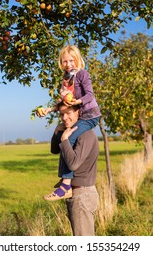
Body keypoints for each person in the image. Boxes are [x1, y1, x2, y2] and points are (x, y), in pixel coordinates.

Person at [37, 45, 101, 200]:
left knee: (69, 138)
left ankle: (66, 186)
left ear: (77, 60)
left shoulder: (82, 74)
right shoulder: (66, 79)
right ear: (61, 63)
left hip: (90, 116)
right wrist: (49, 110)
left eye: (71, 60)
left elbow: (90, 95)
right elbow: (63, 102)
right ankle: (65, 178)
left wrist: (77, 101)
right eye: (65, 61)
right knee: (62, 139)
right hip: (79, 114)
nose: (68, 64)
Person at [48, 101, 100, 236]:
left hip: (82, 194)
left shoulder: (86, 134)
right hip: (75, 193)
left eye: (68, 113)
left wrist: (65, 139)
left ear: (79, 112)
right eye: (61, 114)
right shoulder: (72, 132)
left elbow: (73, 164)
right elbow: (54, 150)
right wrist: (57, 132)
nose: (64, 118)